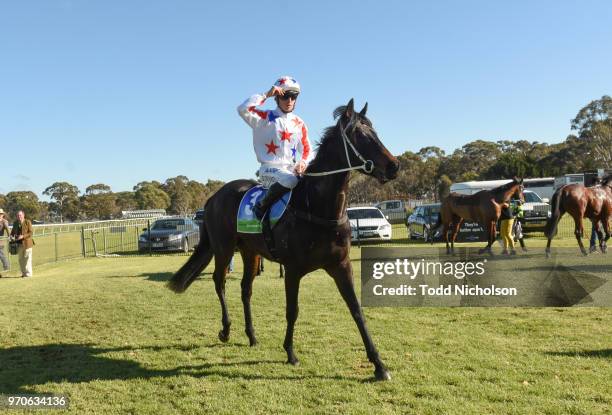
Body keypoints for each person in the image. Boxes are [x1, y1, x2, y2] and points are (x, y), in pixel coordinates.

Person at [237, 76, 311, 219]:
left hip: (292, 171)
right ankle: (261, 206)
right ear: (277, 97)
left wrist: (303, 163)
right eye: (285, 96)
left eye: (294, 96)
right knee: (291, 181)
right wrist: (265, 95)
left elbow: (307, 149)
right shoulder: (264, 117)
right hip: (268, 171)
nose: (290, 100)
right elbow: (242, 109)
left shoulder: (299, 122)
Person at [10, 210, 34, 278]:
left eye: (20, 215)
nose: (19, 217)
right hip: (19, 244)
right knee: (21, 260)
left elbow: (31, 232)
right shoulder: (15, 223)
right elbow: (12, 233)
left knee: (27, 259)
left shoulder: (27, 222)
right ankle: (23, 274)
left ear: (23, 215)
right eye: (18, 215)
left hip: (27, 244)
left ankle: (28, 274)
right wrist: (11, 237)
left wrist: (23, 236)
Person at [0, 209, 10, 277]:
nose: (0, 215)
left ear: (3, 214)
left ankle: (6, 268)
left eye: (0, 214)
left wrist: (10, 236)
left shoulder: (4, 221)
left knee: (2, 256)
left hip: (0, 242)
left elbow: (8, 230)